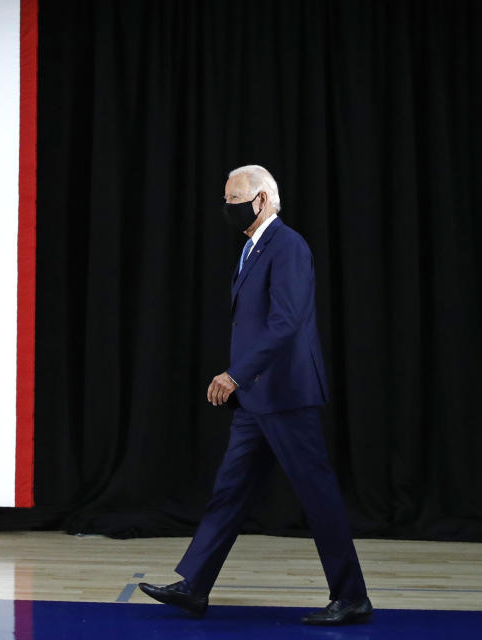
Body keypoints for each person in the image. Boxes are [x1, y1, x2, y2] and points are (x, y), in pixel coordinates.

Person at [138, 165, 371, 626]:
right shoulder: (253, 247)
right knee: (229, 492)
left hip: (286, 395)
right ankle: (195, 586)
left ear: (262, 199)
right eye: (225, 199)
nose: (228, 207)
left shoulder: (288, 247)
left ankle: (352, 597)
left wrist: (235, 374)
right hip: (257, 403)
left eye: (235, 198)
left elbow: (286, 321)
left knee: (317, 496)